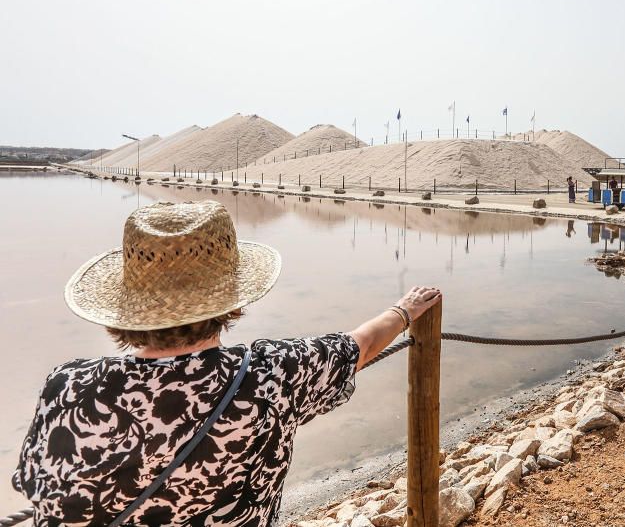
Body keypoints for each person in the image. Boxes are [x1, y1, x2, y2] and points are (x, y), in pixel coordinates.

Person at [12, 200, 442, 526]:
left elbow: (44, 495)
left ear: (127, 304)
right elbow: (358, 347)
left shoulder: (69, 387)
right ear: (230, 296)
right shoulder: (274, 373)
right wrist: (403, 312)